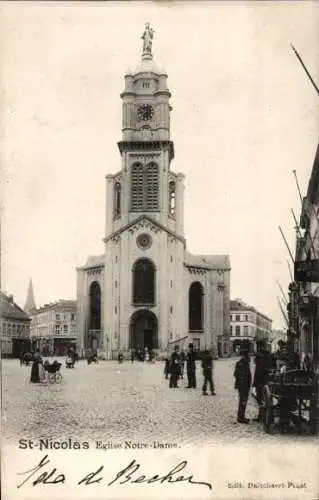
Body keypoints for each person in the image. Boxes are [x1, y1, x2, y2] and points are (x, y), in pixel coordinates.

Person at [252, 340, 273, 421]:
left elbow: (258, 370)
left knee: (260, 399)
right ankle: (264, 416)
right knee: (266, 398)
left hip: (260, 380)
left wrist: (255, 382)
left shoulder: (259, 355)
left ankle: (261, 416)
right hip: (268, 379)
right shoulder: (269, 354)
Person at [234, 349, 251, 424]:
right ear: (244, 356)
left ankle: (241, 416)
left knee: (243, 401)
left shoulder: (245, 363)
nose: (248, 357)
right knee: (242, 401)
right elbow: (236, 374)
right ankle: (240, 418)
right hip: (242, 385)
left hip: (245, 385)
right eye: (247, 356)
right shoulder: (240, 364)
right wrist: (244, 378)